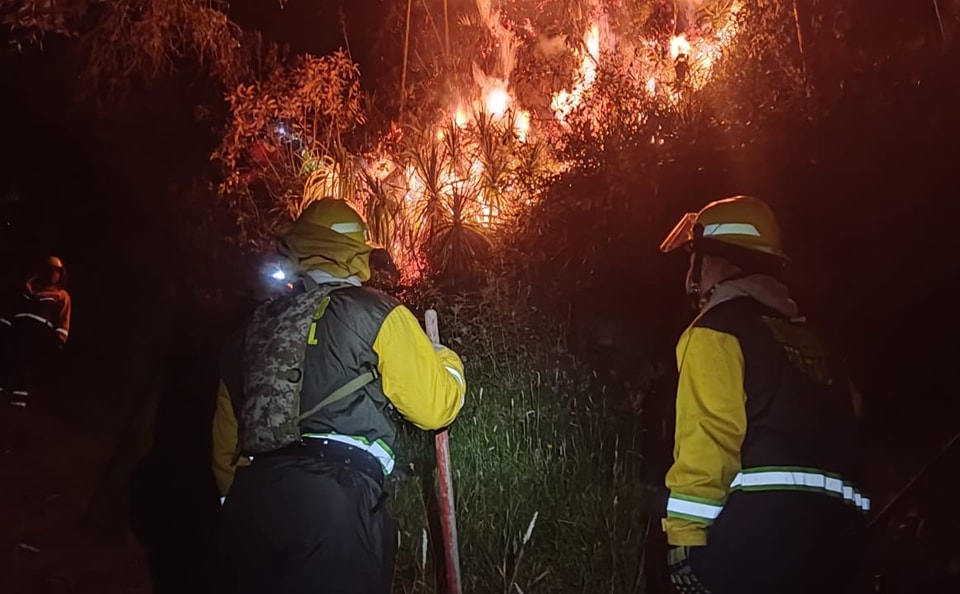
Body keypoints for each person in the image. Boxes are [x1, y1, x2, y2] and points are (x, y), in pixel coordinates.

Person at [212, 197, 467, 594]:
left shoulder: (249, 332)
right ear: (356, 254)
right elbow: (434, 408)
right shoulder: (375, 311)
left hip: (250, 504)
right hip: (337, 505)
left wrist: (239, 505)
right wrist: (447, 362)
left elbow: (224, 449)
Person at [657, 195, 870, 594]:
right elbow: (851, 421)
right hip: (842, 546)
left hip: (755, 543)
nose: (691, 274)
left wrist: (684, 541)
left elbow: (708, 440)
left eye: (694, 259)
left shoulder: (716, 332)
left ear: (716, 260)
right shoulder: (817, 341)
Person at [0, 256, 72, 402]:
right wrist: (5, 322)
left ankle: (20, 399)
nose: (53, 274)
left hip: (38, 333)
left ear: (61, 274)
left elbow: (64, 318)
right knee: (7, 356)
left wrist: (60, 339)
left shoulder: (61, 295)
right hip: (18, 328)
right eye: (50, 270)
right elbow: (13, 306)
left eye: (56, 271)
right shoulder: (27, 287)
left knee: (25, 363)